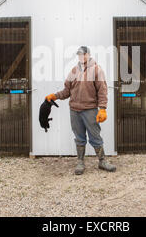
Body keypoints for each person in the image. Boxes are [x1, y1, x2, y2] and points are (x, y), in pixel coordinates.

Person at [45, 46, 116, 175]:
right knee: (79, 137)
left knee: (95, 136)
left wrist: (103, 109)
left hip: (90, 110)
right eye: (79, 54)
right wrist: (55, 96)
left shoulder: (96, 70)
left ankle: (102, 161)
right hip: (74, 110)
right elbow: (67, 91)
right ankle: (80, 162)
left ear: (88, 54)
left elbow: (102, 91)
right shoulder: (73, 71)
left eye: (83, 54)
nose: (81, 57)